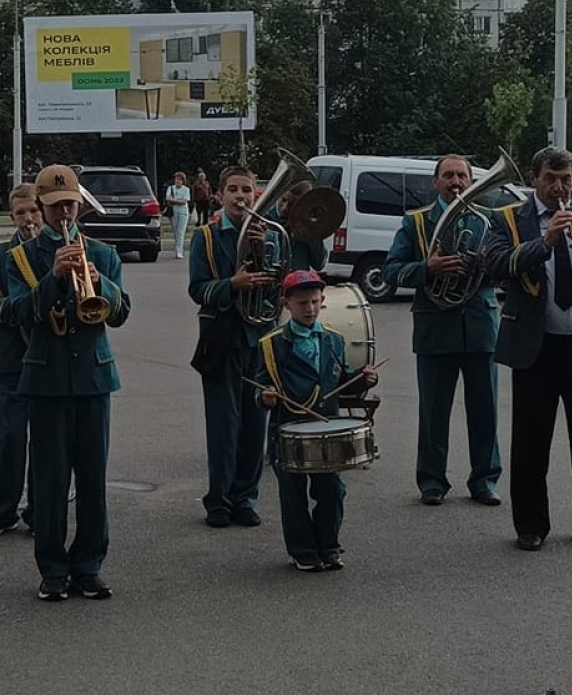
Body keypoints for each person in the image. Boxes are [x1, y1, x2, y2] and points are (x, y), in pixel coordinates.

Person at [483, 146, 572, 552]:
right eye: (552, 179)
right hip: (536, 347)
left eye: (567, 179)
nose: (560, 187)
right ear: (535, 178)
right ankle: (530, 526)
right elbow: (496, 264)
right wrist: (545, 241)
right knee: (530, 442)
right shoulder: (509, 219)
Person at [5, 164, 129, 602]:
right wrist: (53, 279)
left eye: (70, 205)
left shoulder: (104, 253)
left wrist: (101, 283)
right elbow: (17, 313)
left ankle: (89, 565)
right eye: (55, 207)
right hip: (47, 380)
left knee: (93, 479)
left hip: (95, 377)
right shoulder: (19, 257)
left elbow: (122, 311)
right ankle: (53, 569)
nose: (64, 214)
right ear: (40, 206)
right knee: (52, 481)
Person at [381, 153, 502, 507]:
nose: (456, 182)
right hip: (435, 330)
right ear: (435, 182)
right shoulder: (415, 223)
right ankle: (432, 481)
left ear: (471, 181)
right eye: (448, 176)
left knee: (486, 410)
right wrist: (428, 269)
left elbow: (504, 267)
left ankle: (484, 480)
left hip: (480, 326)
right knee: (434, 412)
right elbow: (391, 271)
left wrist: (485, 266)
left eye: (462, 176)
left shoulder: (487, 221)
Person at [257, 269, 378, 570]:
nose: (309, 309)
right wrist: (264, 397)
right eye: (301, 303)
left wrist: (365, 380)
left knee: (333, 490)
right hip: (288, 429)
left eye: (314, 302)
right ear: (286, 304)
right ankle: (302, 550)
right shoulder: (271, 345)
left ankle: (329, 545)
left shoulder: (335, 341)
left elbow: (346, 383)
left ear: (323, 301)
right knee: (293, 494)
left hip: (327, 427)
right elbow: (259, 387)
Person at [187, 164, 276, 528]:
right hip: (223, 339)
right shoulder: (206, 237)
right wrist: (231, 284)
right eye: (234, 190)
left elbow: (279, 283)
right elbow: (198, 289)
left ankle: (245, 498)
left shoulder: (269, 233)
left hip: (260, 337)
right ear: (220, 195)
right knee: (224, 424)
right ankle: (218, 500)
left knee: (256, 423)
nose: (241, 196)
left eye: (247, 190)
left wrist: (261, 250)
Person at [0, 183, 40, 537]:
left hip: (50, 358)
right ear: (11, 217)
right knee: (13, 435)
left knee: (46, 438)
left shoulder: (57, 250)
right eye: (21, 213)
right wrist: (18, 309)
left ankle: (39, 509)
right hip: (13, 357)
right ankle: (2, 511)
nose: (28, 219)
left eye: (33, 211)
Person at [165, 170, 192, 260]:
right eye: (176, 179)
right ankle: (177, 248)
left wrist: (174, 200)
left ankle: (179, 251)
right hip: (173, 212)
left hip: (183, 213)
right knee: (175, 231)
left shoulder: (186, 189)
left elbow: (184, 201)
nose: (178, 181)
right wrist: (177, 200)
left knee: (180, 231)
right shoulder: (171, 188)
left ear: (183, 181)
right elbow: (168, 198)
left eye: (180, 180)